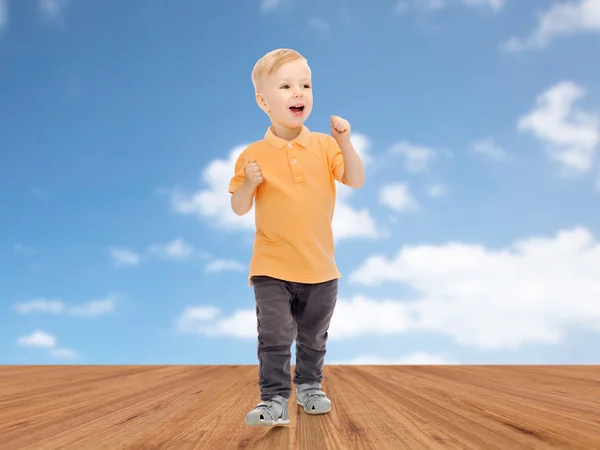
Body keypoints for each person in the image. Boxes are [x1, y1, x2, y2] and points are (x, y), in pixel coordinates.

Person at [228, 48, 365, 427]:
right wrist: (250, 184)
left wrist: (345, 141)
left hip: (321, 268)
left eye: (304, 84)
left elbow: (355, 178)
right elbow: (239, 207)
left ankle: (309, 386)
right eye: (286, 86)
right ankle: (273, 399)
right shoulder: (252, 155)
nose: (298, 93)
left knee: (312, 337)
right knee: (273, 337)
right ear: (263, 101)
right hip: (271, 266)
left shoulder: (323, 145)